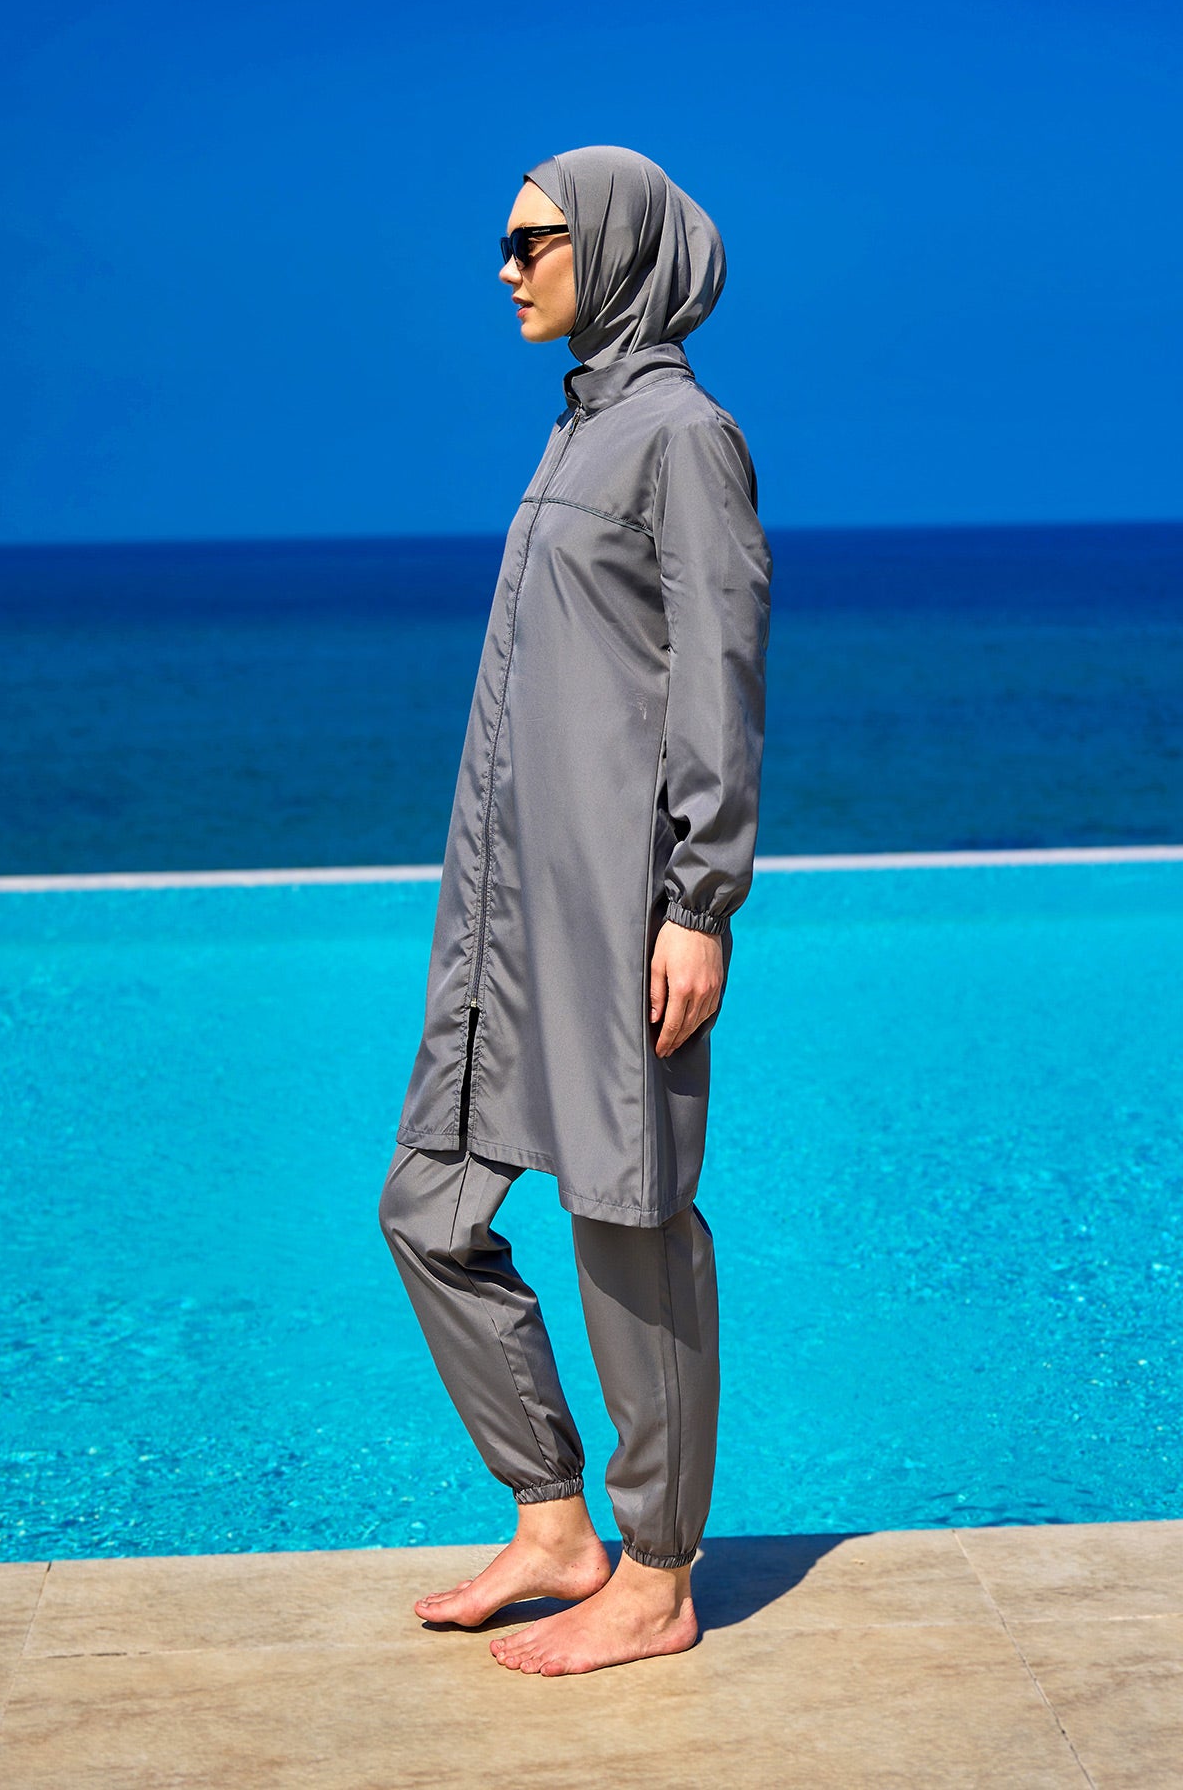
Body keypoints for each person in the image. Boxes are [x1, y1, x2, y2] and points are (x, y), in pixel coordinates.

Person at [378, 144, 771, 1676]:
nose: (506, 268)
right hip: (500, 908)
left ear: (609, 248)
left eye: (531, 241)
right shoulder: (577, 432)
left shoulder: (685, 437)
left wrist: (700, 901)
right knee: (427, 1207)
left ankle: (657, 1578)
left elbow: (719, 680)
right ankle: (553, 1522)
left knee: (631, 1220)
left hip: (618, 902)